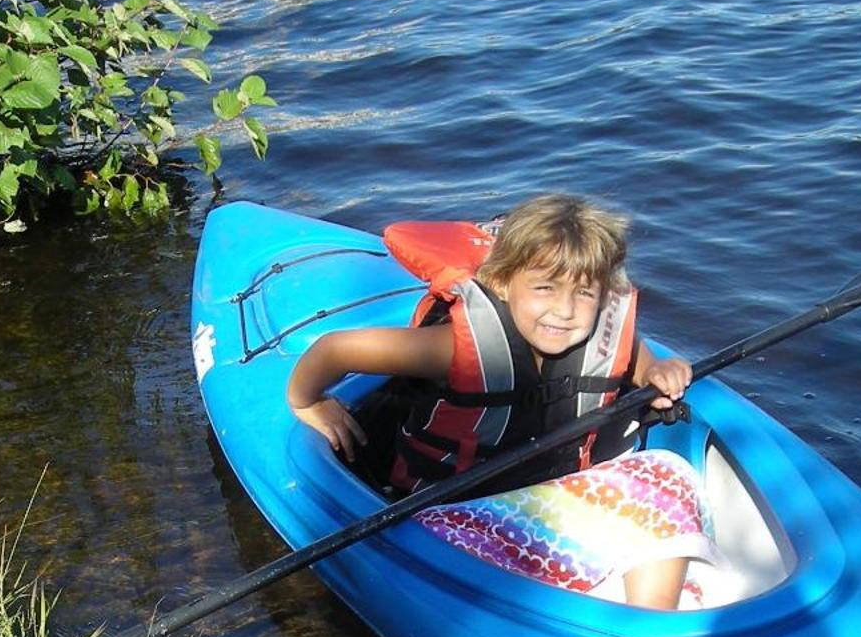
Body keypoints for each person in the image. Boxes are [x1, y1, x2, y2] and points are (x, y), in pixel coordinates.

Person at [287, 194, 716, 610]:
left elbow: (635, 359)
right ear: (502, 283)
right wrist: (307, 401)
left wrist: (657, 371)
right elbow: (337, 349)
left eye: (584, 294)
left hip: (550, 502)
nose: (565, 311)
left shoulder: (601, 335)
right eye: (544, 288)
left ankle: (647, 619)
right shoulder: (456, 348)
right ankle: (562, 606)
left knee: (668, 473)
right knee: (450, 553)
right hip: (453, 514)